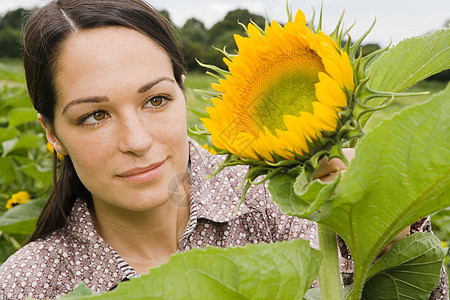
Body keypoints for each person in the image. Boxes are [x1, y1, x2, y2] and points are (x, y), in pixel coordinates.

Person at [0, 0, 447, 299]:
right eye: (94, 115)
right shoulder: (30, 284)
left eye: (155, 100)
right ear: (52, 133)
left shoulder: (291, 209)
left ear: (183, 92)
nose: (136, 141)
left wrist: (384, 228)